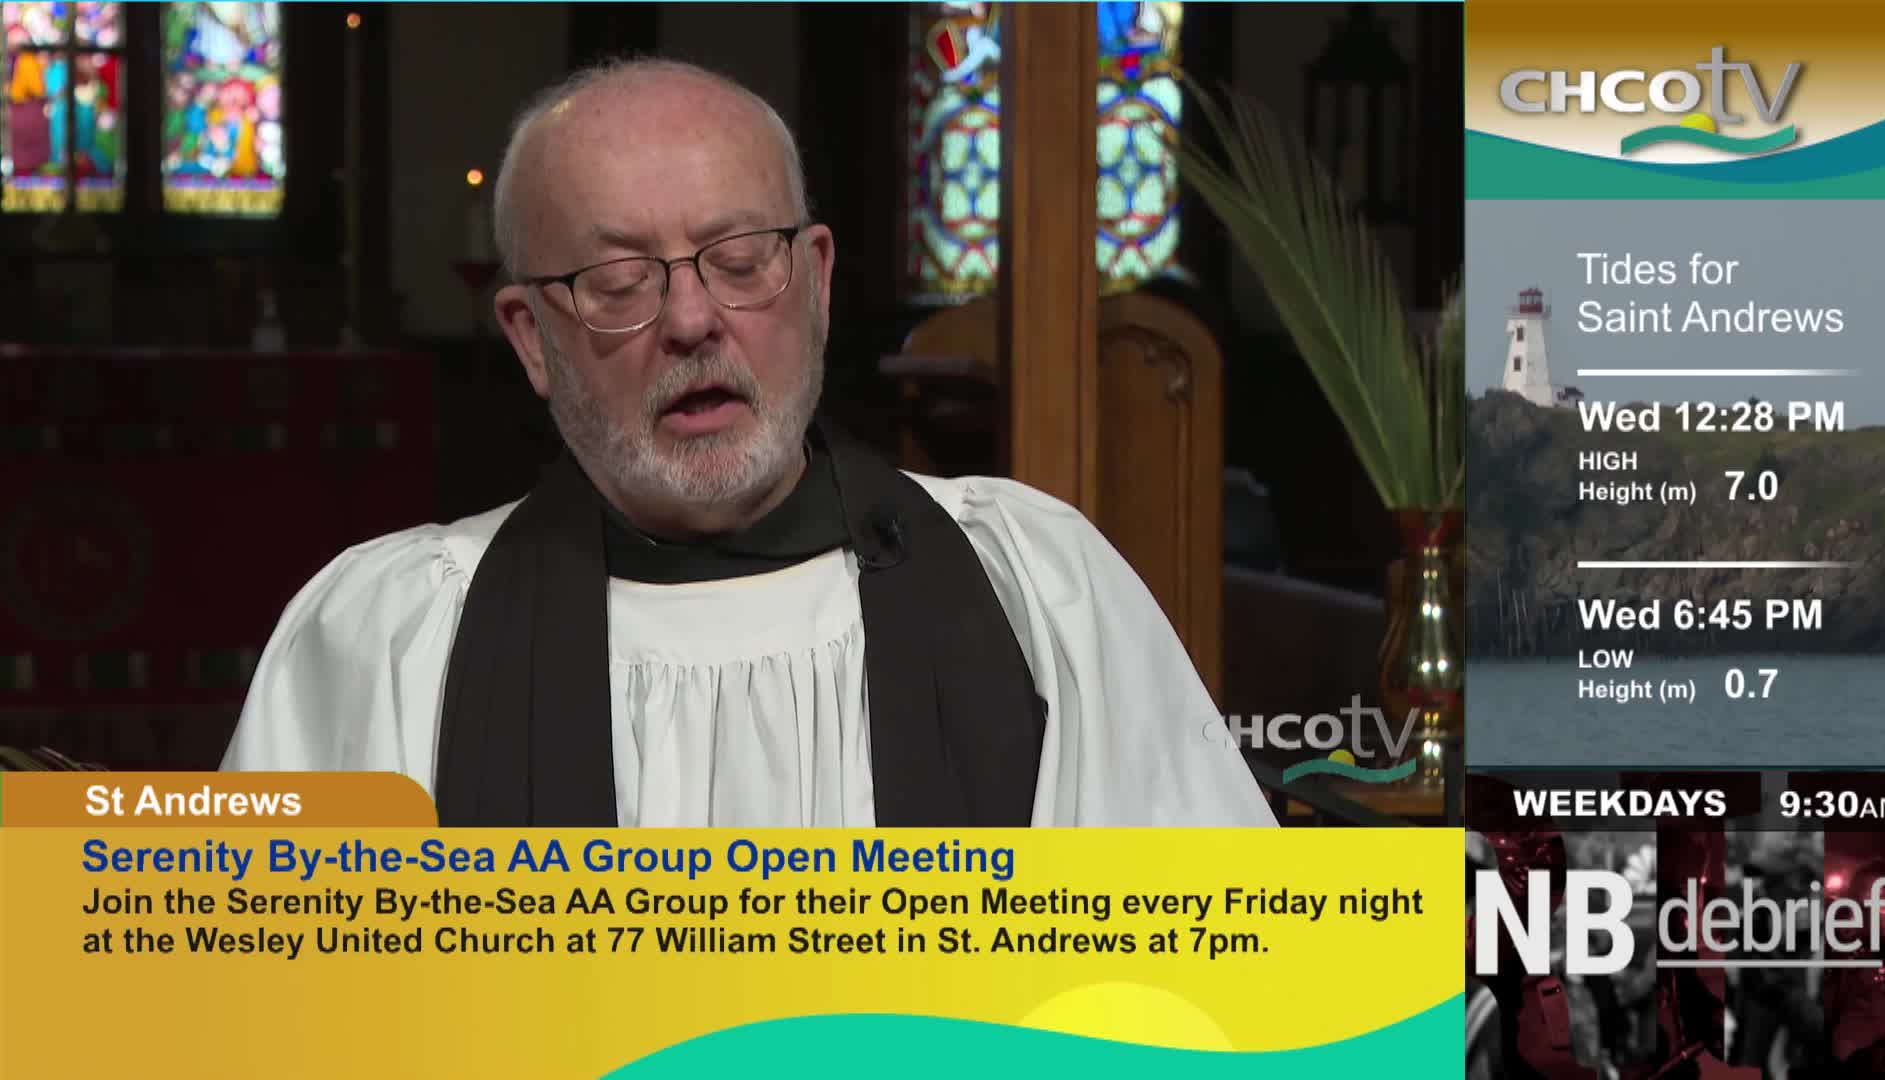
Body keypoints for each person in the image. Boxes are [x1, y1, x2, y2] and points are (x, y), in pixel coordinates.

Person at [221, 57, 1272, 828]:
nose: (690, 320)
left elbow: (1205, 1001)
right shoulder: (386, 636)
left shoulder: (1040, 591)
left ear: (814, 280)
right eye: (618, 282)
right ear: (532, 340)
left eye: (737, 259)